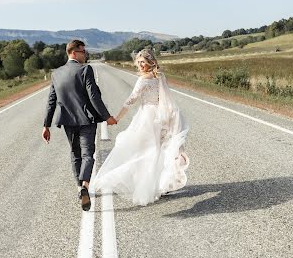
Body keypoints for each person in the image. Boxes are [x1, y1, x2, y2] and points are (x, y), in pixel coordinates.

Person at [91, 49, 189, 206]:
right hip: (159, 116)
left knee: (147, 151)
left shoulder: (144, 80)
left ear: (151, 62)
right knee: (154, 150)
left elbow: (130, 101)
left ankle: (149, 185)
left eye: (143, 61)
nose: (141, 65)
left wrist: (116, 118)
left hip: (149, 118)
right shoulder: (160, 76)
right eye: (139, 62)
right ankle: (157, 184)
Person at [42, 39, 117, 211]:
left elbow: (51, 101)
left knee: (75, 154)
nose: (86, 55)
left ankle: (79, 188)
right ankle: (85, 185)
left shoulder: (57, 73)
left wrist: (46, 125)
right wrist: (107, 117)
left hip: (68, 121)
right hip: (86, 120)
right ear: (73, 53)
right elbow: (94, 97)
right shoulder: (85, 69)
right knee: (87, 154)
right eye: (83, 52)